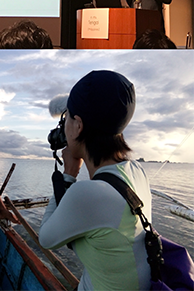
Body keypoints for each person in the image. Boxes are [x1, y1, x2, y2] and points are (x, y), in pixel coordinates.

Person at [38, 71, 151, 291]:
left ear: (78, 125)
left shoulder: (88, 194)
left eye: (67, 117)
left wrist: (69, 173)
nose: (63, 126)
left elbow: (46, 238)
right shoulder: (137, 171)